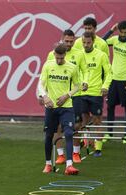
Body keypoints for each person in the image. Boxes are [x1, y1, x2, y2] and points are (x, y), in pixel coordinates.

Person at [46, 29, 88, 164]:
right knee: (57, 126)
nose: (69, 44)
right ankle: (60, 155)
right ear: (62, 39)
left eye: (71, 41)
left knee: (76, 125)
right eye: (66, 41)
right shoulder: (52, 55)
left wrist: (85, 81)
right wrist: (44, 95)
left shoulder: (79, 54)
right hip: (57, 96)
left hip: (75, 95)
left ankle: (76, 152)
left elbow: (85, 70)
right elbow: (46, 75)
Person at [39, 43, 80, 175]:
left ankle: (69, 165)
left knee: (68, 133)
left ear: (65, 55)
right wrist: (45, 96)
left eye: (61, 58)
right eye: (57, 58)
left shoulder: (72, 68)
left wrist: (67, 95)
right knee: (49, 135)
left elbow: (77, 86)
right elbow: (41, 84)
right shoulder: (48, 65)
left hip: (66, 107)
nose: (59, 60)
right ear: (54, 55)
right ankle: (48, 164)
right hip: (51, 107)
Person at [103, 20, 126, 143]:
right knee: (110, 107)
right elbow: (100, 42)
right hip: (113, 80)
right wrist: (111, 30)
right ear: (118, 30)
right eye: (122, 32)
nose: (124, 35)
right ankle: (109, 133)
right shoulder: (114, 39)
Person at [80, 32, 112, 156]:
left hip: (96, 93)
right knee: (84, 119)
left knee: (97, 120)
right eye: (84, 42)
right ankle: (86, 141)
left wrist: (105, 86)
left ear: (93, 42)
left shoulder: (101, 55)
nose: (86, 45)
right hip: (82, 93)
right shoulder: (79, 55)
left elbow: (109, 73)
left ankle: (98, 148)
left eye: (88, 42)